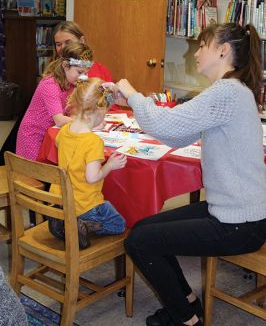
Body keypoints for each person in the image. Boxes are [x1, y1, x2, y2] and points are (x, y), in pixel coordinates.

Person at [110, 23, 266, 326]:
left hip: (240, 223)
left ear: (223, 50)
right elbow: (177, 135)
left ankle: (186, 320)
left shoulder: (226, 92)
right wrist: (138, 105)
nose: (196, 52)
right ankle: (189, 302)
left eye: (202, 45)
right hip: (235, 212)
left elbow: (167, 127)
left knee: (141, 240)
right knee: (146, 229)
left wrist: (132, 94)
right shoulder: (232, 91)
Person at [49, 77, 127, 249]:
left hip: (61, 199)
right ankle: (82, 224)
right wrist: (110, 165)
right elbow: (92, 177)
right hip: (85, 204)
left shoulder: (64, 131)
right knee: (119, 224)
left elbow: (66, 146)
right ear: (99, 113)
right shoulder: (93, 142)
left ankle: (65, 222)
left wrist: (89, 127)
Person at [16, 41, 93, 162]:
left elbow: (74, 110)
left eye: (86, 72)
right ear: (65, 66)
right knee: (42, 174)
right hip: (34, 137)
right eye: (80, 72)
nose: (84, 77)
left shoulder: (72, 83)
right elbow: (60, 119)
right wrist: (87, 122)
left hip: (51, 135)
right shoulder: (50, 84)